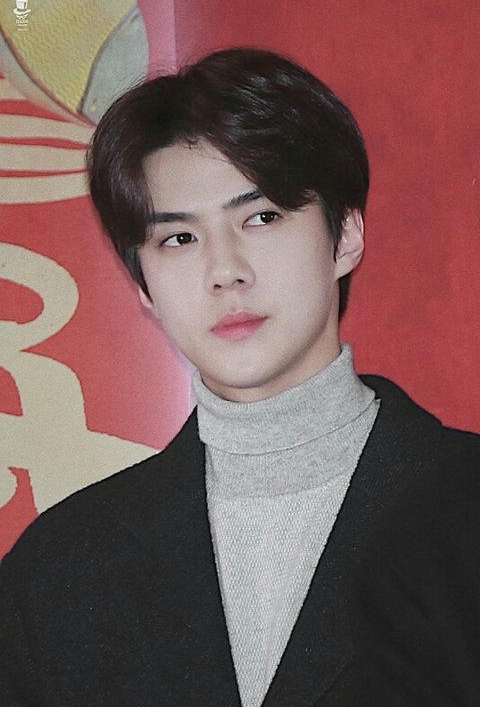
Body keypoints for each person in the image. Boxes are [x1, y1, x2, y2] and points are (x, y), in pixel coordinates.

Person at [0, 47, 478, 707]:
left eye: (261, 217)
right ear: (143, 284)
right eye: (179, 239)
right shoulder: (56, 573)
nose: (225, 271)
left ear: (344, 235)